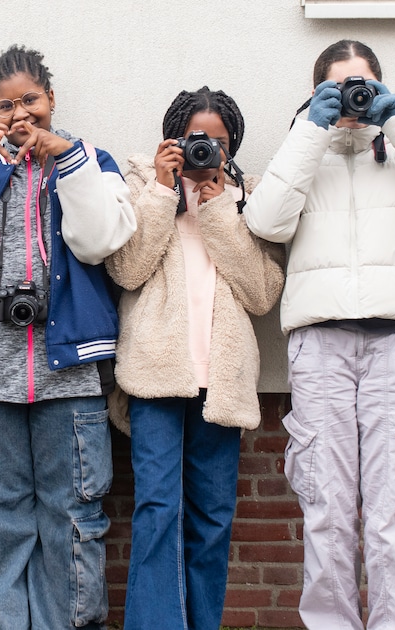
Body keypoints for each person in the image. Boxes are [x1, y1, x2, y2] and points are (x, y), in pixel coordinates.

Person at [245, 40, 395, 630]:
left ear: (380, 85)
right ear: (318, 90)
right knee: (325, 507)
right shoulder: (303, 151)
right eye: (338, 85)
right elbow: (265, 221)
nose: (353, 95)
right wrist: (308, 131)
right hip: (321, 344)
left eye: (363, 83)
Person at [0, 45, 136, 629]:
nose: (20, 114)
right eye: (6, 105)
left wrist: (66, 158)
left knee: (71, 520)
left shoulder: (91, 159)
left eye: (30, 100)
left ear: (52, 98)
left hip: (67, 373)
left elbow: (99, 241)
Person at [105, 87, 284, 630]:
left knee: (212, 519)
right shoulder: (141, 186)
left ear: (232, 148)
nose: (206, 149)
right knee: (158, 511)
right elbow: (126, 271)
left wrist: (217, 207)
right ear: (173, 140)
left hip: (222, 383)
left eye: (219, 142)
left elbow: (261, 293)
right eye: (195, 140)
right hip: (156, 377)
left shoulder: (250, 200)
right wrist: (163, 192)